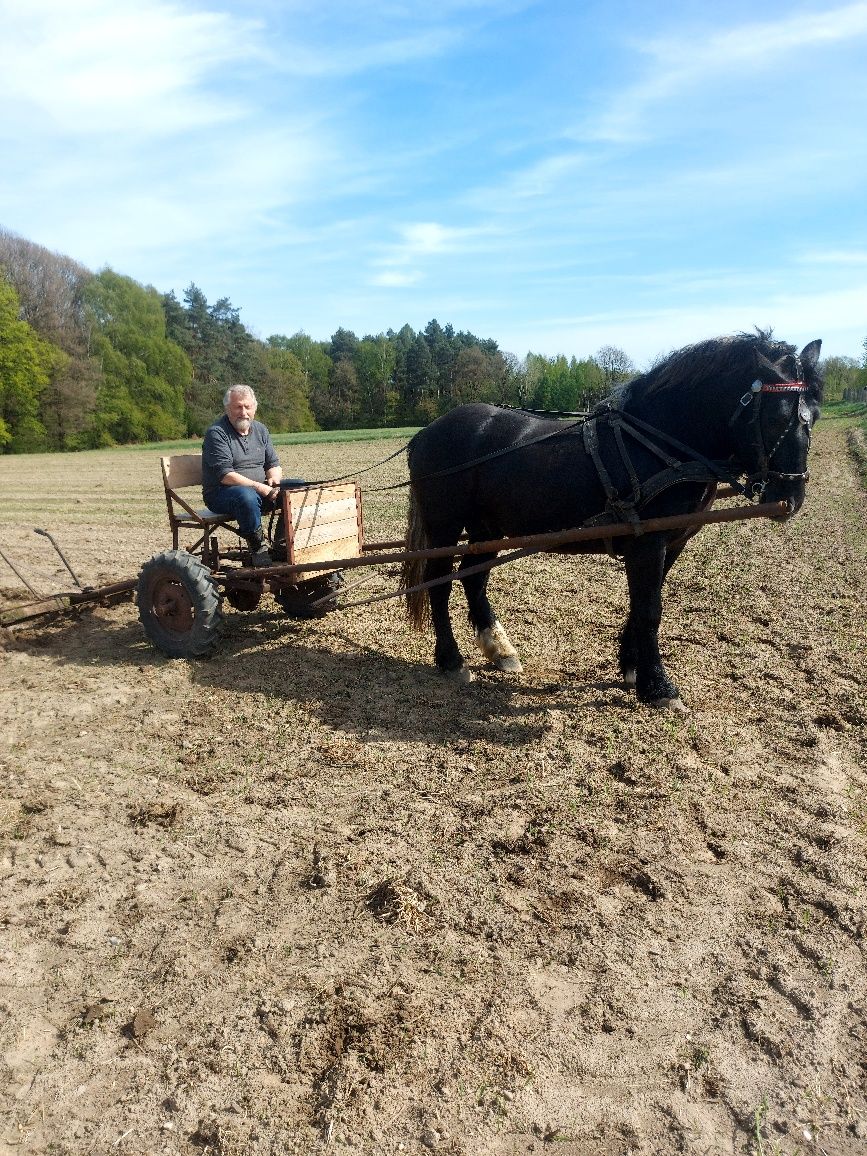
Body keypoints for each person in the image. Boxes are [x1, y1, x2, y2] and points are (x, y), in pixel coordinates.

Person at [202, 384, 284, 567]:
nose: (243, 412)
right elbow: (225, 475)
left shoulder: (261, 430)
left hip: (259, 491)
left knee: (298, 488)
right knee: (245, 496)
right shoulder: (217, 434)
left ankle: (283, 545)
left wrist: (274, 479)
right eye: (238, 407)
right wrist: (260, 487)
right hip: (221, 494)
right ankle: (258, 548)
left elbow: (273, 464)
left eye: (247, 406)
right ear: (227, 408)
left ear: (254, 407)